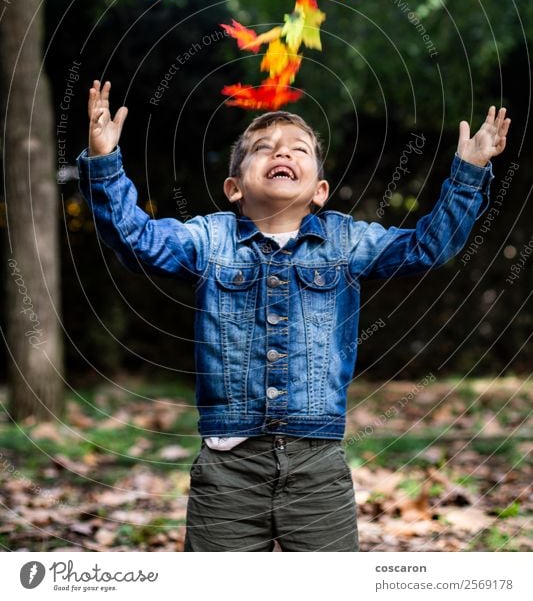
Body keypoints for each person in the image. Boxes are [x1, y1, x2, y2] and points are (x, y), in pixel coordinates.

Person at [77, 80, 510, 552]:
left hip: (317, 465)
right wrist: (104, 162)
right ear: (234, 187)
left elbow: (428, 246)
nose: (281, 152)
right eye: (263, 148)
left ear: (320, 190)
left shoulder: (345, 243)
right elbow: (136, 239)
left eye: (298, 149)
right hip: (228, 470)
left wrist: (470, 170)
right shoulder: (209, 240)